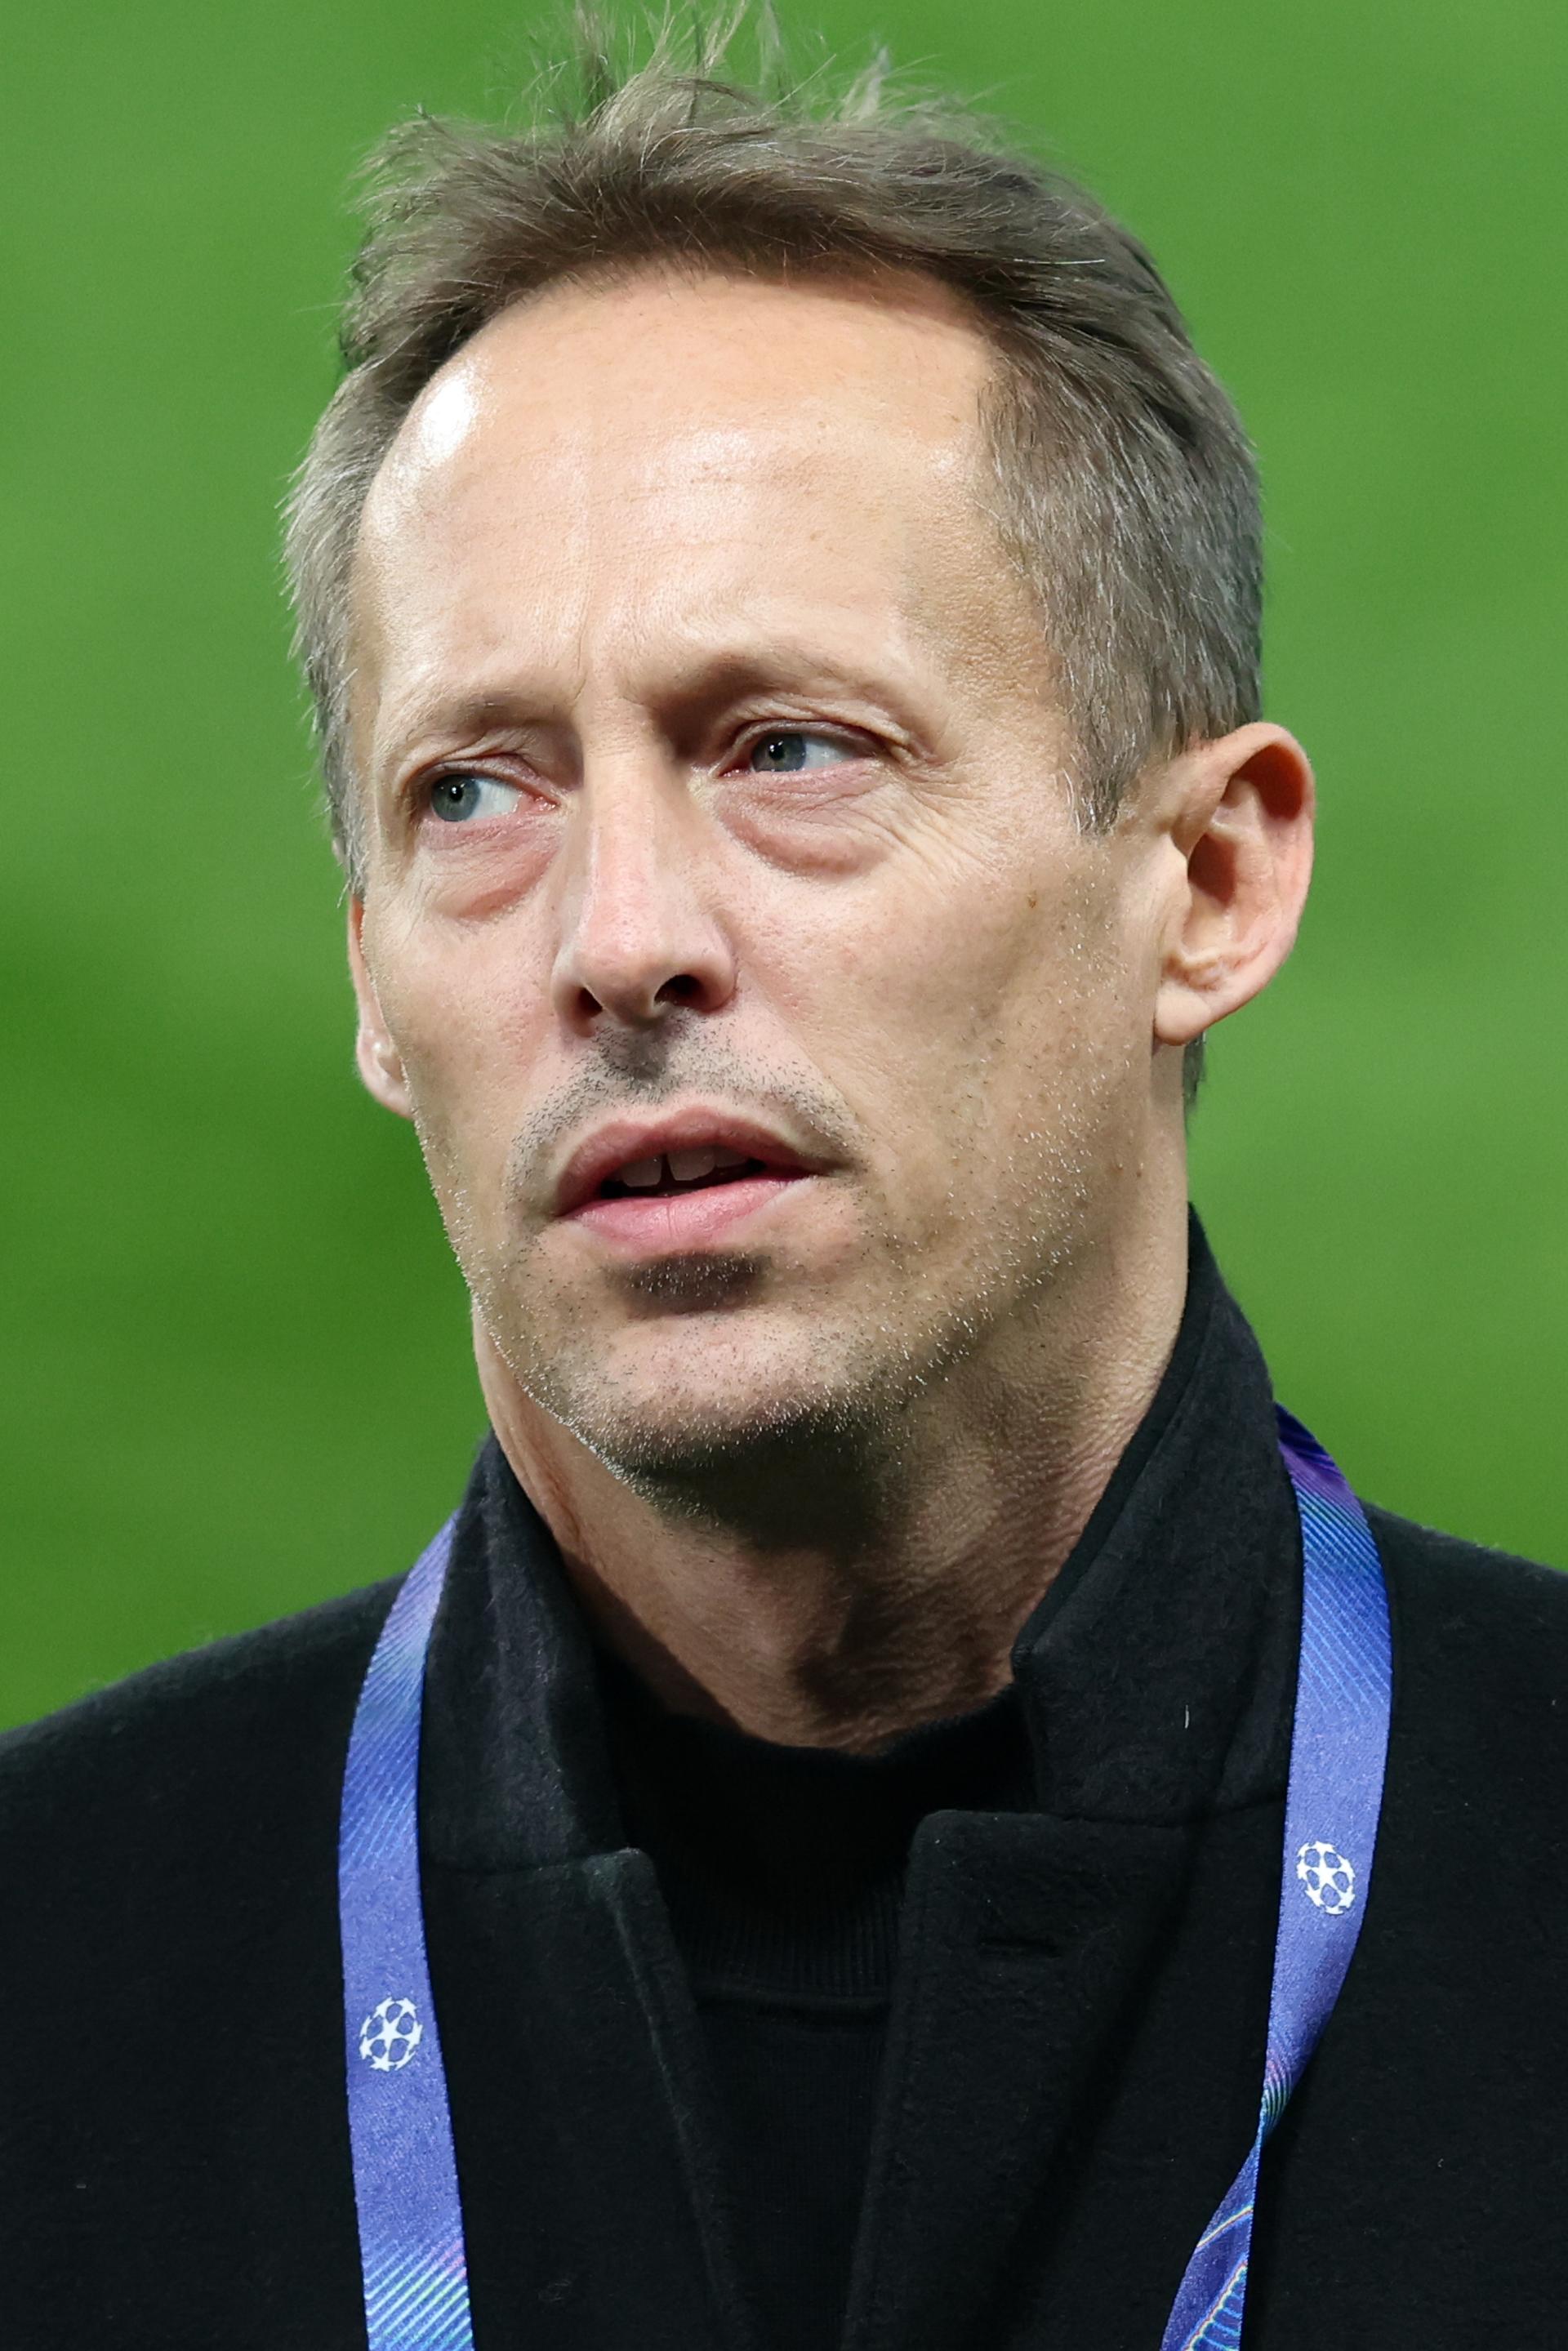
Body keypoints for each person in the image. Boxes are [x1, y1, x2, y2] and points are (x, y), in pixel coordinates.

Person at [4, 24, 1565, 2350]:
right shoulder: (48, 1973)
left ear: (1210, 881)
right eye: (474, 793)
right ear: (372, 986)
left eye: (792, 748)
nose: (619, 936)